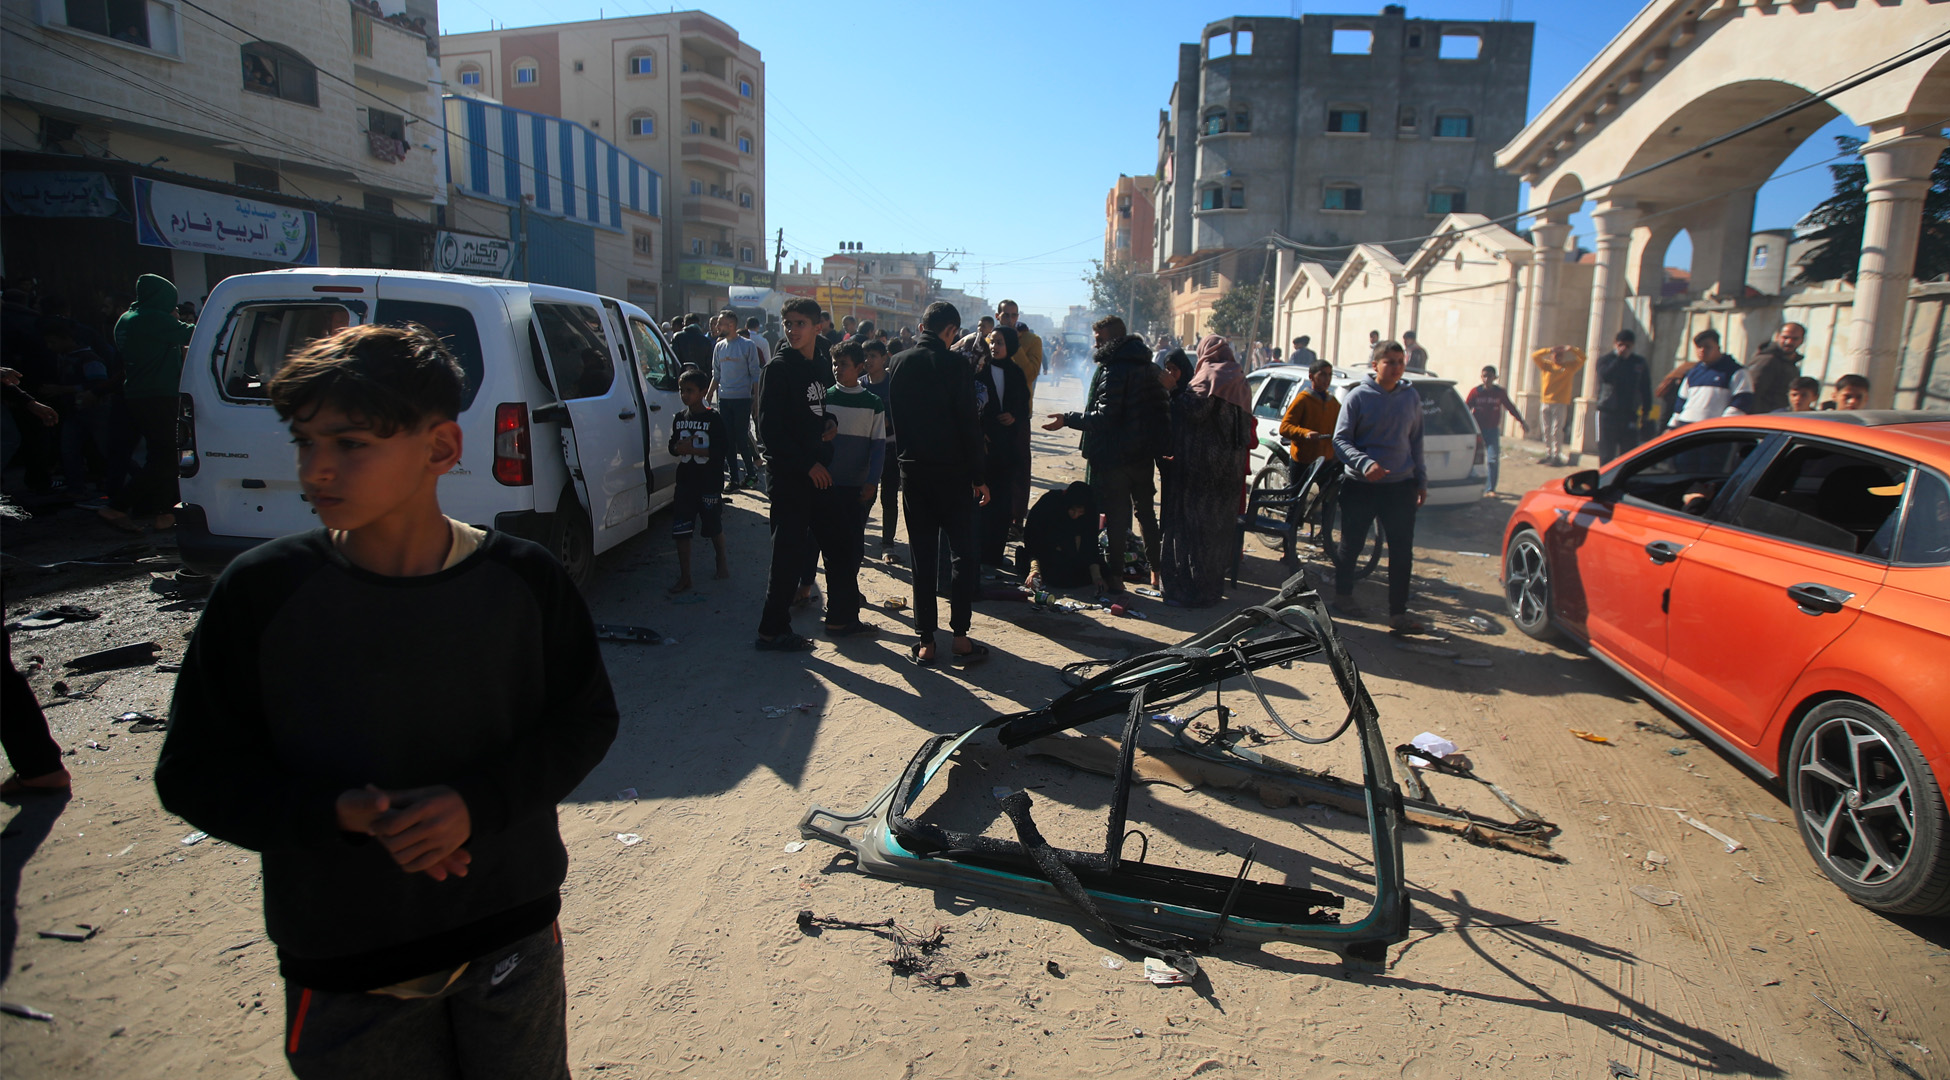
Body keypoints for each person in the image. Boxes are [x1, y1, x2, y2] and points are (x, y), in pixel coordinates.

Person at [154, 323, 618, 1080]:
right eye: (305, 443)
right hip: (346, 960)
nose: (317, 469)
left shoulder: (524, 582)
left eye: (350, 444)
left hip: (509, 935)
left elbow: (585, 723)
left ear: (440, 449)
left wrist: (477, 803)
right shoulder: (262, 594)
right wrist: (335, 812)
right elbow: (193, 773)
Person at [887, 301, 989, 666]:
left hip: (913, 471)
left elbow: (894, 418)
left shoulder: (897, 362)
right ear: (951, 332)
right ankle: (960, 637)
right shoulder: (956, 365)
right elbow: (968, 423)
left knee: (922, 555)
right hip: (954, 473)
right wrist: (979, 476)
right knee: (961, 554)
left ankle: (927, 641)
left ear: (921, 326)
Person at [753, 298, 857, 651]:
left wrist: (829, 423)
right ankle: (772, 630)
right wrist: (805, 464)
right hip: (790, 476)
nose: (793, 330)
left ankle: (842, 619)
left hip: (817, 473)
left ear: (817, 327)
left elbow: (819, 411)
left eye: (800, 324)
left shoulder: (818, 368)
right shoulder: (778, 369)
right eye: (789, 323)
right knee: (788, 554)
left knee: (842, 544)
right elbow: (769, 431)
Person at [1043, 316, 1167, 594]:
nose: (1095, 343)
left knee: (1117, 518)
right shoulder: (1150, 368)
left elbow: (1105, 417)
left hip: (1116, 457)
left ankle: (1117, 579)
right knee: (1146, 514)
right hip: (1143, 456)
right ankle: (1157, 574)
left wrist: (1068, 418)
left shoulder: (1113, 370)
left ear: (1112, 339)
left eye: (1099, 339)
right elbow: (1162, 412)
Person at [1332, 341, 1428, 633]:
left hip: (1400, 486)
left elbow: (1417, 442)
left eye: (1401, 361)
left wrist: (1421, 480)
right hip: (1361, 485)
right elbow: (1340, 440)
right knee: (1352, 545)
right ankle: (1343, 597)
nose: (1397, 367)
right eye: (1390, 361)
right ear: (1375, 366)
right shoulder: (1358, 397)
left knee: (1401, 551)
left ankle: (1398, 614)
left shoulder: (1410, 397)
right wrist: (1364, 464)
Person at [1159, 336, 1255, 607]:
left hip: (1201, 469)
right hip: (1230, 472)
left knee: (1192, 530)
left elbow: (1192, 411)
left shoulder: (1210, 375)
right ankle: (1210, 590)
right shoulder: (1240, 379)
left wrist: (1173, 390)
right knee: (1216, 532)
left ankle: (1188, 592)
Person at [100, 274, 194, 533]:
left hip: (137, 394)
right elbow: (196, 335)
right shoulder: (153, 318)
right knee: (165, 456)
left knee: (161, 454)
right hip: (159, 395)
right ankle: (119, 506)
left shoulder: (128, 318)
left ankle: (164, 513)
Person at [822, 342, 886, 631]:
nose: (837, 369)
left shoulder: (873, 403)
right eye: (835, 364)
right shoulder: (825, 398)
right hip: (828, 485)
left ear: (859, 368)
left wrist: (873, 481)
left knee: (854, 547)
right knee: (834, 549)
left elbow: (879, 447)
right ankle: (841, 611)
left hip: (858, 487)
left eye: (844, 364)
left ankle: (844, 604)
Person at [667, 368, 729, 594]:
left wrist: (694, 449)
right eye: (682, 390)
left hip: (708, 482)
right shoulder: (679, 419)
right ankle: (685, 576)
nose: (685, 395)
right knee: (681, 529)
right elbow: (673, 447)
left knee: (713, 525)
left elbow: (720, 451)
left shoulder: (713, 418)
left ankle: (721, 561)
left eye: (690, 391)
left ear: (703, 391)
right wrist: (678, 448)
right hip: (685, 482)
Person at [972, 325, 1028, 570]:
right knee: (982, 500)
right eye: (992, 341)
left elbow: (1023, 407)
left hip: (1007, 448)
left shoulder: (1016, 373)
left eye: (1001, 342)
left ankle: (994, 554)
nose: (995, 346)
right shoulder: (980, 371)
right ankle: (978, 551)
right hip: (984, 446)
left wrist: (1014, 416)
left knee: (1003, 502)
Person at [1277, 358, 1341, 557]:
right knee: (1295, 502)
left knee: (1330, 500)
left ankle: (1326, 540)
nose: (1326, 379)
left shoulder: (1333, 403)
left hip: (1326, 460)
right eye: (1322, 375)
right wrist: (1304, 433)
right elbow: (1285, 427)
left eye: (1329, 375)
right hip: (1304, 459)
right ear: (1311, 376)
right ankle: (1289, 550)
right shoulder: (1303, 399)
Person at [996, 300, 1043, 532]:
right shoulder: (990, 340)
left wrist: (1015, 345)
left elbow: (1030, 374)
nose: (1010, 319)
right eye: (1006, 315)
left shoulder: (1032, 342)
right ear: (998, 316)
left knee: (1019, 468)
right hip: (992, 416)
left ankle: (1016, 519)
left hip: (1019, 416)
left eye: (1014, 315)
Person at [707, 310, 765, 491]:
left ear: (731, 325)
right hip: (724, 399)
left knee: (741, 437)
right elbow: (716, 375)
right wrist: (708, 397)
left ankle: (751, 474)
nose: (717, 327)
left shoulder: (747, 346)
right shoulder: (719, 347)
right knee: (728, 440)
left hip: (742, 400)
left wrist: (755, 400)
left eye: (720, 324)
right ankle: (733, 479)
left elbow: (756, 375)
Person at [860, 340, 902, 561]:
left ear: (884, 357)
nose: (868, 361)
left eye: (873, 356)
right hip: (865, 449)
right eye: (865, 356)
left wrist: (888, 421)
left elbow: (903, 415)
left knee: (889, 497)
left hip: (890, 447)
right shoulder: (859, 384)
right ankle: (857, 539)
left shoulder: (894, 383)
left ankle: (888, 544)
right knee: (865, 495)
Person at [1022, 482, 1105, 592]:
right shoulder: (1049, 503)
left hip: (1074, 555)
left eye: (1080, 512)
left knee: (1105, 571)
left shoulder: (1090, 512)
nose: (1075, 516)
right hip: (1047, 552)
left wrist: (1097, 577)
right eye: (1073, 510)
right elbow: (1033, 538)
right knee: (1058, 577)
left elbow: (1090, 543)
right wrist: (1035, 569)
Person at [1667, 329, 1754, 427]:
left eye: (1707, 347)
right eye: (1699, 347)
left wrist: (1724, 424)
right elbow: (1681, 401)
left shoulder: (1735, 371)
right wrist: (1673, 425)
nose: (1702, 350)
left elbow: (1742, 400)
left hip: (1712, 430)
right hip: (1686, 426)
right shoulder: (1692, 372)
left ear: (1718, 347)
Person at [1465, 366, 1527, 496]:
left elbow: (1510, 407)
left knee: (1492, 459)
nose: (1487, 379)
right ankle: (1471, 486)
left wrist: (1521, 421)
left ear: (1495, 378)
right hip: (1478, 431)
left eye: (1489, 376)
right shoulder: (1476, 392)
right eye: (1484, 376)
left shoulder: (1499, 393)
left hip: (1492, 430)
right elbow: (1465, 409)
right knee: (1472, 459)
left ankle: (1491, 488)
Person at [1594, 329, 1652, 463]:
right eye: (1621, 344)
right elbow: (1605, 376)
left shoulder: (1639, 362)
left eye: (1628, 346)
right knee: (1606, 452)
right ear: (1615, 344)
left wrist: (1646, 411)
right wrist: (1619, 359)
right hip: (1608, 413)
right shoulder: (1606, 360)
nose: (1624, 348)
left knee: (1628, 453)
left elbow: (1645, 387)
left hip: (1629, 413)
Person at [1530, 344, 1585, 466]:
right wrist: (1549, 349)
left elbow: (1583, 358)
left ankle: (1556, 456)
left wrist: (1571, 349)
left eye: (1560, 355)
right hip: (1545, 401)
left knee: (1556, 430)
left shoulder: (1569, 367)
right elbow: (1534, 356)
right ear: (1551, 356)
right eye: (1555, 355)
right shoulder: (1546, 366)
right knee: (1546, 430)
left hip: (1560, 402)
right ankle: (1548, 454)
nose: (1558, 357)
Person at [1745, 322, 1805, 414]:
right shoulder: (1767, 360)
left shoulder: (1790, 363)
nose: (1789, 342)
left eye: (1795, 339)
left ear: (1801, 340)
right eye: (1785, 337)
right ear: (1777, 337)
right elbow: (1751, 391)